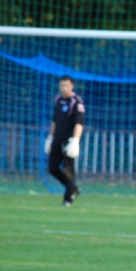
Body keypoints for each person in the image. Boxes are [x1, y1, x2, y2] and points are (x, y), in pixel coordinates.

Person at [44, 75, 85, 206]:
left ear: (72, 86)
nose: (64, 88)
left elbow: (79, 123)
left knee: (68, 169)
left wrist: (75, 141)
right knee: (52, 168)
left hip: (69, 140)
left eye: (66, 85)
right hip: (57, 139)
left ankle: (68, 199)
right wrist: (50, 137)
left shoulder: (76, 102)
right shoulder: (58, 99)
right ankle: (73, 188)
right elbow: (55, 120)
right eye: (62, 85)